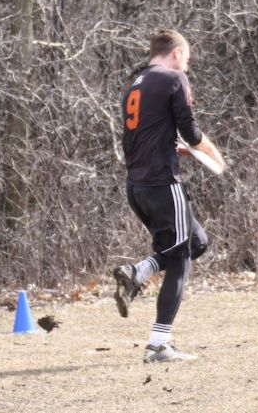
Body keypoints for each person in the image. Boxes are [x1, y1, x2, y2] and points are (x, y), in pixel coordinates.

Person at [112, 29, 225, 363]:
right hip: (162, 183)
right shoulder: (174, 78)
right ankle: (158, 345)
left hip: (137, 187)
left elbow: (148, 135)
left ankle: (138, 272)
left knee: (196, 242)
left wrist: (179, 149)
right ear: (176, 53)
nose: (186, 67)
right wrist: (213, 155)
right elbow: (191, 131)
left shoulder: (135, 84)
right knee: (180, 257)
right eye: (186, 59)